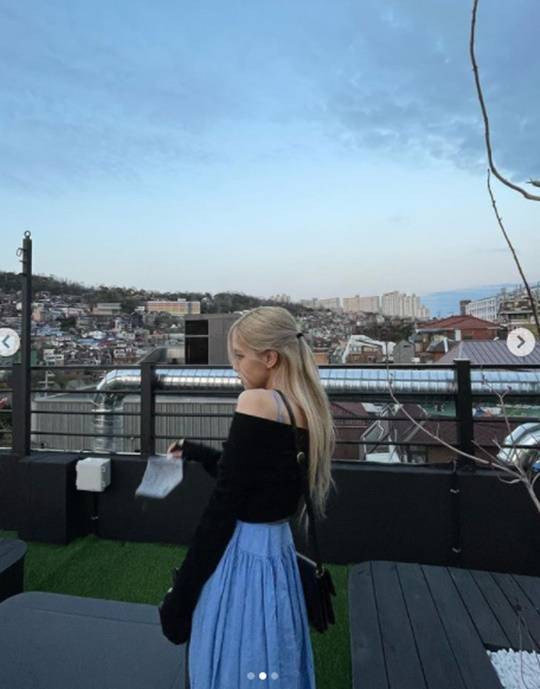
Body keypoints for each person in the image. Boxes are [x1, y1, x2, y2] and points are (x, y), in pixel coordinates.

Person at [167, 306, 336, 689]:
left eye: (241, 356)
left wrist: (181, 597)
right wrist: (197, 452)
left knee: (232, 655)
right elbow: (254, 482)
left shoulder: (257, 401)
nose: (235, 367)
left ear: (270, 358)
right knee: (271, 652)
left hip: (245, 556)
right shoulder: (304, 408)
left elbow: (223, 506)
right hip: (278, 551)